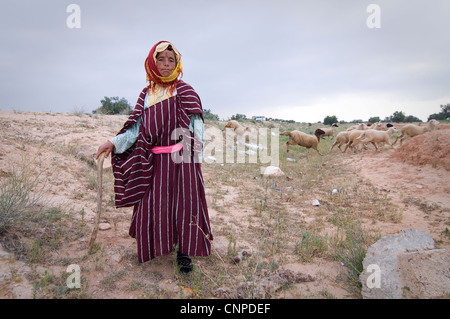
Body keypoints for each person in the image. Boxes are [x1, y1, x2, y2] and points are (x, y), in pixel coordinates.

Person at [95, 41, 213, 273]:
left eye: (171, 60)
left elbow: (196, 127)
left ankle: (184, 252)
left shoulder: (186, 91)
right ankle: (157, 244)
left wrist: (194, 156)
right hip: (154, 162)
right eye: (161, 59)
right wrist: (113, 142)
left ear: (177, 64)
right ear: (153, 62)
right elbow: (135, 130)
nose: (166, 64)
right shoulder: (147, 94)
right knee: (153, 202)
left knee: (185, 204)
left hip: (182, 161)